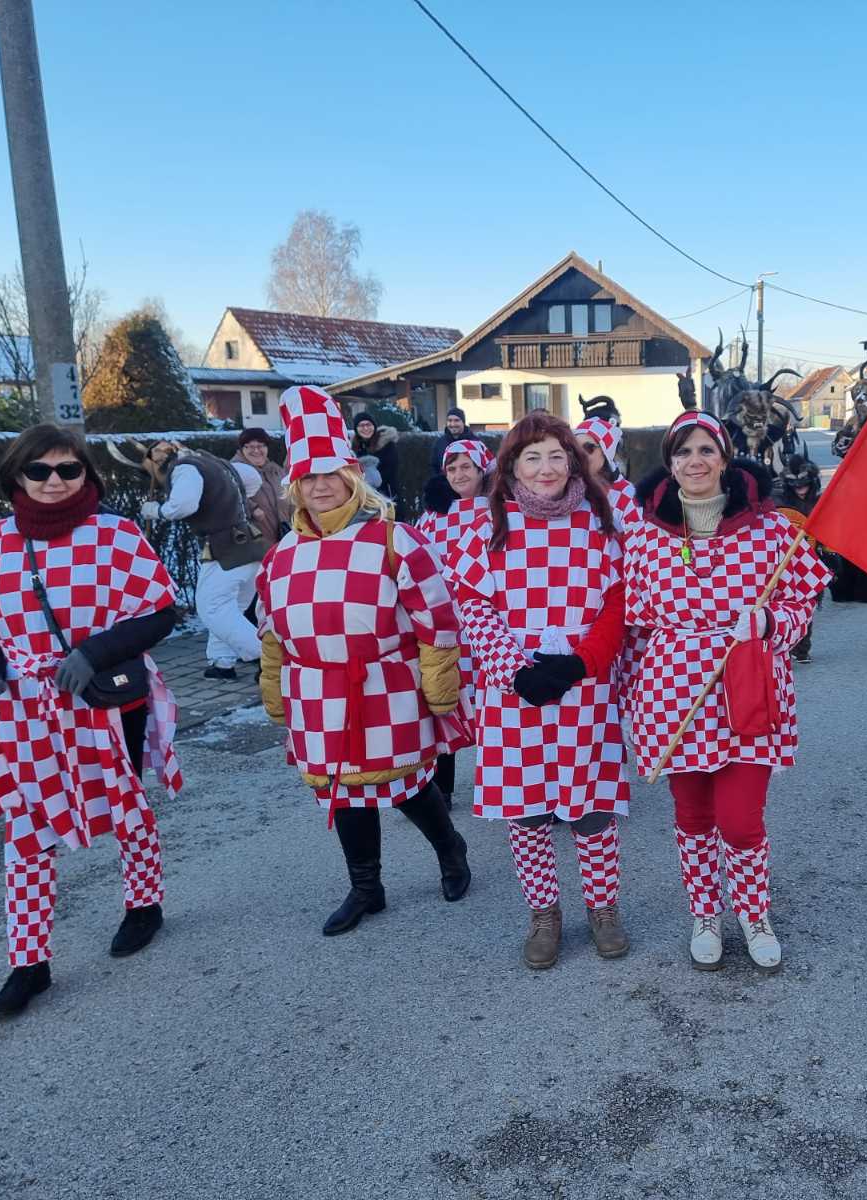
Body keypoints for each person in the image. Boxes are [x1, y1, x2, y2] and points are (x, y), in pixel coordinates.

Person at [0, 424, 183, 1017]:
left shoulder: (115, 534)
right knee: (26, 829)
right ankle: (29, 962)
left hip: (106, 695)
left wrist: (92, 651)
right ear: (16, 475)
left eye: (68, 469)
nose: (53, 481)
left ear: (86, 475)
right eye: (39, 470)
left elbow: (161, 613)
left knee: (124, 803)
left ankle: (144, 904)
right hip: (25, 707)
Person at [257, 386, 472, 937]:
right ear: (295, 487)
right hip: (317, 692)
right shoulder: (281, 556)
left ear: (352, 476)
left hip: (385, 683)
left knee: (404, 783)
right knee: (342, 787)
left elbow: (436, 620)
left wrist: (439, 689)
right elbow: (273, 633)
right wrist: (275, 691)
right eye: (308, 477)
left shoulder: (394, 541)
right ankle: (366, 887)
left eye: (330, 473)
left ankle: (450, 848)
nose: (320, 485)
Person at [621, 412, 832, 973]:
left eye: (707, 450)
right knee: (692, 813)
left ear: (726, 457)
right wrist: (634, 698)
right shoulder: (643, 535)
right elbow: (634, 625)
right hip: (671, 692)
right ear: (670, 463)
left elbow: (801, 605)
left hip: (748, 688)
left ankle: (754, 912)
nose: (696, 461)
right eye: (684, 452)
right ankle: (705, 912)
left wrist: (769, 625)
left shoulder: (772, 531)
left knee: (740, 819)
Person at [444, 411, 631, 969]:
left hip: (584, 685)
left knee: (591, 805)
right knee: (526, 810)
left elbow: (618, 601)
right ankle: (544, 912)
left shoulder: (602, 519)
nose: (545, 468)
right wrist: (514, 668)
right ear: (512, 466)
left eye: (556, 455)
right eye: (532, 457)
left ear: (573, 460)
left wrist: (579, 664)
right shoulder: (483, 525)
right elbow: (471, 604)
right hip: (513, 689)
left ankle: (603, 907)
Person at [142, 441, 268, 680]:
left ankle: (271, 658)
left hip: (226, 548)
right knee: (231, 609)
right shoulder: (216, 463)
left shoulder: (186, 468)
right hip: (250, 545)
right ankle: (221, 664)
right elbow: (252, 479)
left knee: (213, 608)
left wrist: (157, 511)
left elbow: (183, 505)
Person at [416, 437, 495, 807]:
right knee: (444, 700)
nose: (459, 474)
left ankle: (500, 781)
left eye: (466, 466)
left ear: (482, 469)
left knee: (495, 705)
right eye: (452, 467)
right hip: (446, 623)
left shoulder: (501, 509)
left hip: (490, 622)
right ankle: (441, 788)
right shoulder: (433, 515)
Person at [773, 454, 823, 663]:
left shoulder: (822, 501)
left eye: (804, 484)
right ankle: (785, 643)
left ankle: (802, 648)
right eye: (795, 485)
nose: (800, 489)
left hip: (812, 557)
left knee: (807, 602)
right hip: (786, 559)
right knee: (785, 603)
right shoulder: (777, 501)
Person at [575, 415, 640, 528]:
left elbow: (636, 542)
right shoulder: (565, 490)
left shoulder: (628, 495)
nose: (580, 455)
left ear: (606, 453)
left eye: (588, 448)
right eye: (575, 448)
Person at [233, 427, 290, 545]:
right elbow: (228, 496)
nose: (256, 450)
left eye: (261, 445)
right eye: (249, 446)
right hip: (255, 543)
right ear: (242, 449)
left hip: (283, 537)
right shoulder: (235, 471)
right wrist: (252, 508)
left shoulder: (275, 470)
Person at [351, 412, 400, 501]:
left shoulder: (386, 444)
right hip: (361, 495)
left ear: (374, 426)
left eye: (368, 425)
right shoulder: (355, 447)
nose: (365, 428)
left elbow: (390, 472)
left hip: (386, 495)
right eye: (361, 426)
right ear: (356, 429)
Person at [430, 407, 469, 471]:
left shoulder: (473, 441)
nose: (453, 424)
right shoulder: (440, 443)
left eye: (456, 420)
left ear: (463, 422)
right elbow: (434, 466)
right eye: (450, 420)